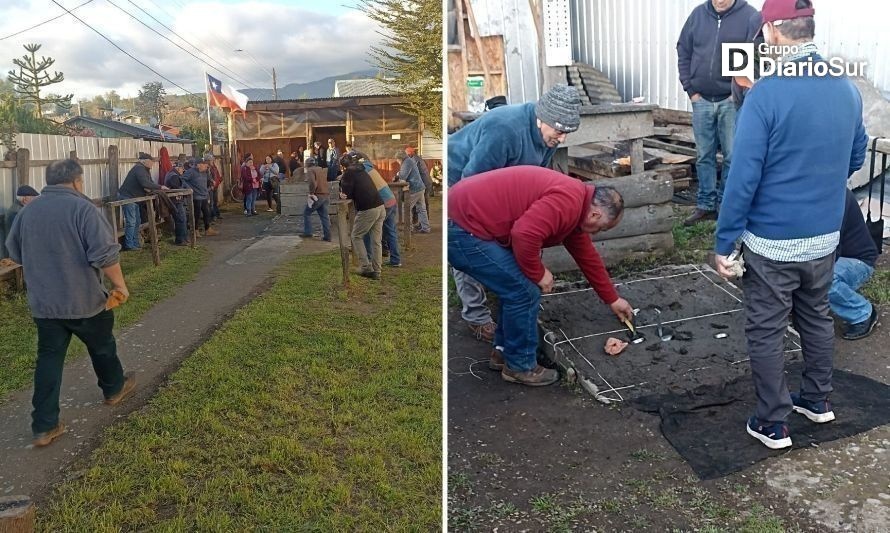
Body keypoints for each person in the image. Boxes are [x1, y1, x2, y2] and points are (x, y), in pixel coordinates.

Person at [714, 0, 868, 450]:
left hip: (773, 240)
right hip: (824, 234)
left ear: (775, 32)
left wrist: (725, 241)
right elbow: (855, 157)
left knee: (766, 327)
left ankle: (773, 422)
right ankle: (817, 401)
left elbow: (743, 177)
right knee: (816, 317)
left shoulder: (767, 93)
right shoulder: (845, 86)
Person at [449, 166, 633, 386]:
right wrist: (538, 273)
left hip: (467, 220)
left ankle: (504, 353)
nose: (597, 233)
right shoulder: (567, 202)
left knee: (516, 287)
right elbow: (524, 234)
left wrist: (612, 298)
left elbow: (587, 256)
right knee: (524, 291)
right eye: (601, 229)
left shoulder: (577, 206)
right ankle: (520, 366)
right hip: (463, 226)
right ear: (595, 214)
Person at [5, 159, 137, 447]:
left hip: (45, 305)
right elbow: (104, 254)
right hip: (83, 300)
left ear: (49, 181)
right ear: (78, 181)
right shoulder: (83, 208)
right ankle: (114, 389)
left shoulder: (28, 212)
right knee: (102, 346)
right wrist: (120, 285)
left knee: (49, 360)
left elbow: (14, 252)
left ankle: (44, 426)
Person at [447, 84, 582, 343]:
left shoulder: (548, 135)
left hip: (500, 181)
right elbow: (471, 184)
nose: (563, 138)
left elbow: (537, 182)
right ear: (542, 119)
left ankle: (513, 297)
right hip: (461, 178)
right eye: (560, 131)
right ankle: (476, 316)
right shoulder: (505, 130)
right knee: (470, 241)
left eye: (567, 132)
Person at [677, 0, 757, 226]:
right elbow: (683, 50)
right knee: (704, 156)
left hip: (730, 101)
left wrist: (737, 90)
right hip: (700, 98)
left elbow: (756, 55)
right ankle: (705, 204)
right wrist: (690, 89)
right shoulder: (697, 15)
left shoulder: (749, 16)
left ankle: (725, 205)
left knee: (732, 156)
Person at [830, 189, 879, 340]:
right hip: (835, 256)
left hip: (858, 260)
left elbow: (833, 247)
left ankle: (862, 313)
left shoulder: (836, 197)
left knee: (821, 279)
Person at [339, 152, 385, 280]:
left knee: (356, 236)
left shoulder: (348, 173)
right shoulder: (362, 169)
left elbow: (346, 194)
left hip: (368, 208)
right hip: (380, 206)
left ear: (343, 167)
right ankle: (377, 271)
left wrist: (342, 193)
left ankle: (366, 267)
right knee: (376, 242)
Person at [357, 151, 402, 268]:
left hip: (383, 203)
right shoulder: (371, 168)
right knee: (391, 231)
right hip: (391, 200)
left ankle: (369, 259)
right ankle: (396, 260)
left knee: (367, 230)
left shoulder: (362, 171)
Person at [118, 152, 167, 251]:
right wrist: (160, 187)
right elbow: (145, 183)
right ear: (145, 161)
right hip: (128, 197)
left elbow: (150, 182)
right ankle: (129, 245)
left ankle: (136, 243)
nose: (152, 164)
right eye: (151, 162)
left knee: (137, 221)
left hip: (135, 198)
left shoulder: (144, 170)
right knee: (131, 222)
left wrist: (156, 188)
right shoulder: (139, 169)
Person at [397, 149, 431, 234]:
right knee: (422, 209)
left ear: (399, 158)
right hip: (420, 187)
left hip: (414, 189)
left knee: (406, 208)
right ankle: (426, 228)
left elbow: (403, 176)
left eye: (397, 160)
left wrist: (398, 175)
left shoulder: (406, 162)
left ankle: (409, 229)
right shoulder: (410, 160)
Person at [182, 157, 218, 236]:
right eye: (204, 165)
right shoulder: (191, 172)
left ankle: (207, 229)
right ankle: (195, 231)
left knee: (206, 213)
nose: (206, 166)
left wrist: (212, 181)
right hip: (196, 196)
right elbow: (183, 179)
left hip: (204, 195)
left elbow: (208, 179)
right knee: (196, 214)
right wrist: (189, 188)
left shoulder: (205, 172)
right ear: (198, 165)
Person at [300, 157, 331, 241]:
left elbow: (312, 183)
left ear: (307, 164)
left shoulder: (310, 170)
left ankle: (308, 232)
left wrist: (311, 193)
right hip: (325, 194)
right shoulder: (321, 169)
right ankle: (327, 236)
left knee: (307, 213)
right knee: (324, 216)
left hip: (318, 195)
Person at [163, 160, 189, 246]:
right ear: (178, 168)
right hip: (175, 201)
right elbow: (178, 187)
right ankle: (180, 240)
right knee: (180, 219)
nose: (183, 171)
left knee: (181, 219)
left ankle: (184, 238)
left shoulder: (170, 174)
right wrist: (185, 190)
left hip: (175, 201)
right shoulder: (174, 176)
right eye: (182, 169)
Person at [408, 146, 432, 218]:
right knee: (423, 203)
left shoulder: (414, 160)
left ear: (410, 153)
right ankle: (423, 222)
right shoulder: (418, 158)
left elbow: (411, 172)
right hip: (426, 182)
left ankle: (417, 221)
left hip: (423, 184)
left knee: (420, 203)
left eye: (406, 153)